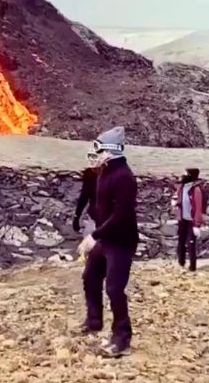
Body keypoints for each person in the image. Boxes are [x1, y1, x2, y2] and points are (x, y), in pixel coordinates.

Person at [76, 126, 139, 358]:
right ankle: (94, 321)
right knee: (90, 277)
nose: (96, 154)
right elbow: (99, 204)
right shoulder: (104, 172)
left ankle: (122, 337)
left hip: (121, 241)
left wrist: (94, 235)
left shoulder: (124, 177)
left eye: (99, 149)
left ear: (111, 151)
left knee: (114, 288)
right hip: (106, 238)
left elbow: (121, 214)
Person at [175, 168, 205, 272]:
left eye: (185, 174)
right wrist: (175, 204)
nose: (183, 175)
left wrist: (197, 225)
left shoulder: (196, 190)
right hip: (182, 219)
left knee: (191, 244)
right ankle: (181, 263)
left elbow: (198, 208)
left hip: (191, 222)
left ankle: (192, 267)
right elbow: (177, 199)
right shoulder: (181, 187)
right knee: (180, 242)